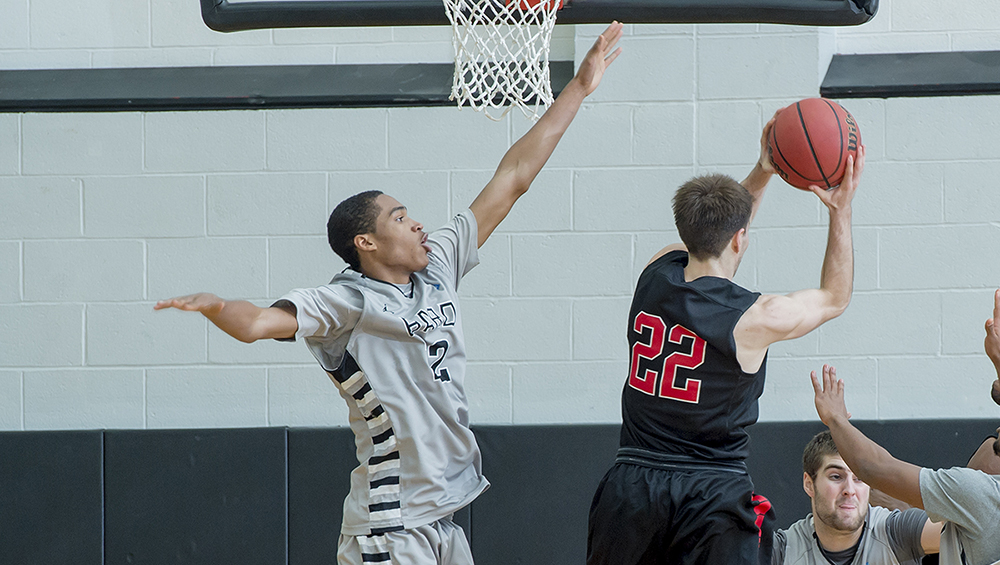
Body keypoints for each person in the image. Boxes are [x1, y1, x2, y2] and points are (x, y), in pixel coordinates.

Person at [153, 22, 623, 565]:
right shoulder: (345, 304)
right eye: (401, 217)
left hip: (441, 519)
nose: (418, 224)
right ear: (367, 241)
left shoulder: (439, 267)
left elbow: (513, 176)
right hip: (389, 524)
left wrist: (579, 89)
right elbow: (257, 323)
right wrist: (214, 306)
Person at [586, 115, 867, 565]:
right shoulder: (752, 318)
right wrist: (841, 210)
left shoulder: (655, 274)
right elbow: (835, 297)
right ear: (742, 238)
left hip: (632, 485)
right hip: (709, 491)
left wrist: (763, 170)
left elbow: (718, 230)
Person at [811, 289, 1000, 565]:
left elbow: (872, 467)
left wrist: (835, 418)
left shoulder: (977, 495)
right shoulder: (790, 541)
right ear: (809, 483)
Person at [772, 430, 940, 565]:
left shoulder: (895, 532)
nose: (849, 490)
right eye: (836, 477)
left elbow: (963, 524)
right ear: (809, 484)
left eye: (859, 478)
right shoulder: (782, 550)